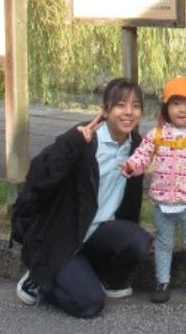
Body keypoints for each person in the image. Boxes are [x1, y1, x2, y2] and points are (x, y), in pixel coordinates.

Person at [14, 78, 152, 318]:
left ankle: (102, 277)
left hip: (97, 233)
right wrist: (70, 145)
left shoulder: (136, 147)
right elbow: (37, 178)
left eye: (136, 106)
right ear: (106, 110)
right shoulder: (84, 138)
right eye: (120, 105)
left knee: (138, 240)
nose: (129, 112)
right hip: (62, 236)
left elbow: (130, 204)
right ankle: (40, 276)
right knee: (89, 304)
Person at [120, 77, 186, 303]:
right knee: (164, 244)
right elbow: (142, 155)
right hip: (163, 204)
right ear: (166, 107)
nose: (182, 110)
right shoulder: (157, 135)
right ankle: (162, 281)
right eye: (176, 103)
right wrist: (132, 166)